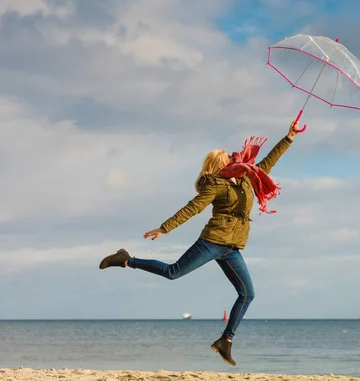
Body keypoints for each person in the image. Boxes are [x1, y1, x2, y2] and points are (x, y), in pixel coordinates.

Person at [98, 121, 300, 366]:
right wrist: (165, 227)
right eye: (228, 156)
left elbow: (268, 163)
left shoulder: (247, 176)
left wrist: (288, 137)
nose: (234, 155)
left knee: (248, 294)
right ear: (221, 164)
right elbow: (193, 208)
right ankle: (126, 259)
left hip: (232, 247)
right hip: (212, 241)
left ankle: (225, 341)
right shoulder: (215, 184)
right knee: (173, 273)